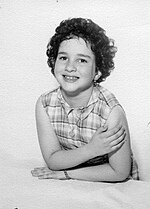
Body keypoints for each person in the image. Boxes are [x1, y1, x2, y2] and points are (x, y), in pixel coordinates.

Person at [31, 18, 139, 182]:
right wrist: (91, 149)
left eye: (81, 60)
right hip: (75, 185)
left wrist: (67, 174)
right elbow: (53, 160)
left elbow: (119, 172)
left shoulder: (111, 111)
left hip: (113, 185)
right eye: (63, 58)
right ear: (53, 61)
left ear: (97, 71)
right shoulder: (45, 104)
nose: (70, 67)